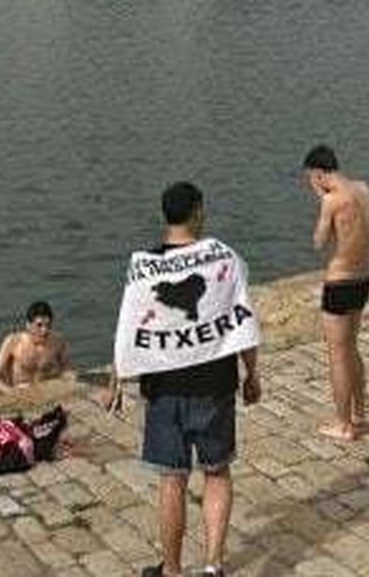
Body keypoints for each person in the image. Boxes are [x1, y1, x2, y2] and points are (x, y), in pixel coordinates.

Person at [105, 182, 261, 577]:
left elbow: (128, 326)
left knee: (172, 481)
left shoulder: (142, 267)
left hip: (165, 390)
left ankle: (172, 570)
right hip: (215, 384)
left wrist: (117, 378)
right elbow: (240, 319)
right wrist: (251, 373)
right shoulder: (223, 257)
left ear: (164, 216)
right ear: (198, 212)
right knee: (217, 471)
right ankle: (213, 566)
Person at [302, 145, 369, 442]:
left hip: (340, 280)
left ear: (318, 174)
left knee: (337, 354)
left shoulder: (332, 200)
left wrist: (321, 200)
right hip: (363, 278)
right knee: (352, 346)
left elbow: (319, 242)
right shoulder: (363, 189)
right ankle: (359, 414)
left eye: (311, 178)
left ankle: (343, 424)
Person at [0, 301, 71, 392]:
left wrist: (68, 378)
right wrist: (11, 391)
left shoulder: (58, 342)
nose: (44, 330)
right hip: (19, 392)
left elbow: (66, 371)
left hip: (45, 392)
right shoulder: (14, 342)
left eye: (48, 325)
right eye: (39, 325)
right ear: (28, 325)